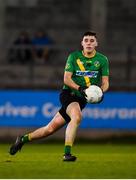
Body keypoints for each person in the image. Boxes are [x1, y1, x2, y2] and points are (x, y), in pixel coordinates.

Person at [9, 31, 109, 161]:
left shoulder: (102, 60)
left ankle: (22, 139)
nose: (89, 43)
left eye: (91, 40)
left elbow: (106, 82)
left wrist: (101, 91)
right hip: (69, 94)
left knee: (49, 129)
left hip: (81, 99)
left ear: (96, 43)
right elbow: (66, 79)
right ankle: (67, 154)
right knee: (77, 117)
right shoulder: (74, 57)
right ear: (82, 43)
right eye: (86, 40)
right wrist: (80, 88)